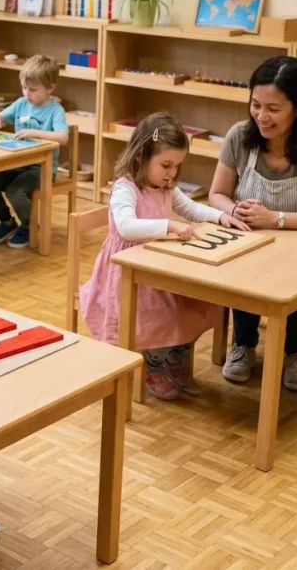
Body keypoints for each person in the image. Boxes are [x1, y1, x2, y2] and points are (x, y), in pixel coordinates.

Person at [80, 113, 248, 400]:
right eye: (166, 165)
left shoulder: (166, 186)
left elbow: (192, 210)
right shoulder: (125, 187)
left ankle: (174, 359)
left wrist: (222, 215)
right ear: (142, 156)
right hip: (126, 272)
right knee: (162, 315)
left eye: (177, 166)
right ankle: (152, 367)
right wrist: (169, 225)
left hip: (159, 266)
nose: (172, 173)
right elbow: (125, 226)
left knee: (200, 304)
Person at [208, 56, 297, 392]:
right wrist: (232, 212)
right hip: (250, 238)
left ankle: (296, 352)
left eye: (273, 108)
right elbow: (217, 194)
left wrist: (276, 219)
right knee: (242, 268)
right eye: (255, 104)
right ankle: (243, 344)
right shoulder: (239, 136)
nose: (261, 116)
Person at [0, 54, 69, 249]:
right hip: (16, 165)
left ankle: (29, 226)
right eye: (24, 88)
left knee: (15, 191)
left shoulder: (55, 110)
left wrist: (35, 133)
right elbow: (0, 117)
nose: (27, 94)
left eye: (33, 90)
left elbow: (63, 137)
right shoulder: (21, 103)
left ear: (50, 88)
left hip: (41, 169)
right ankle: (7, 222)